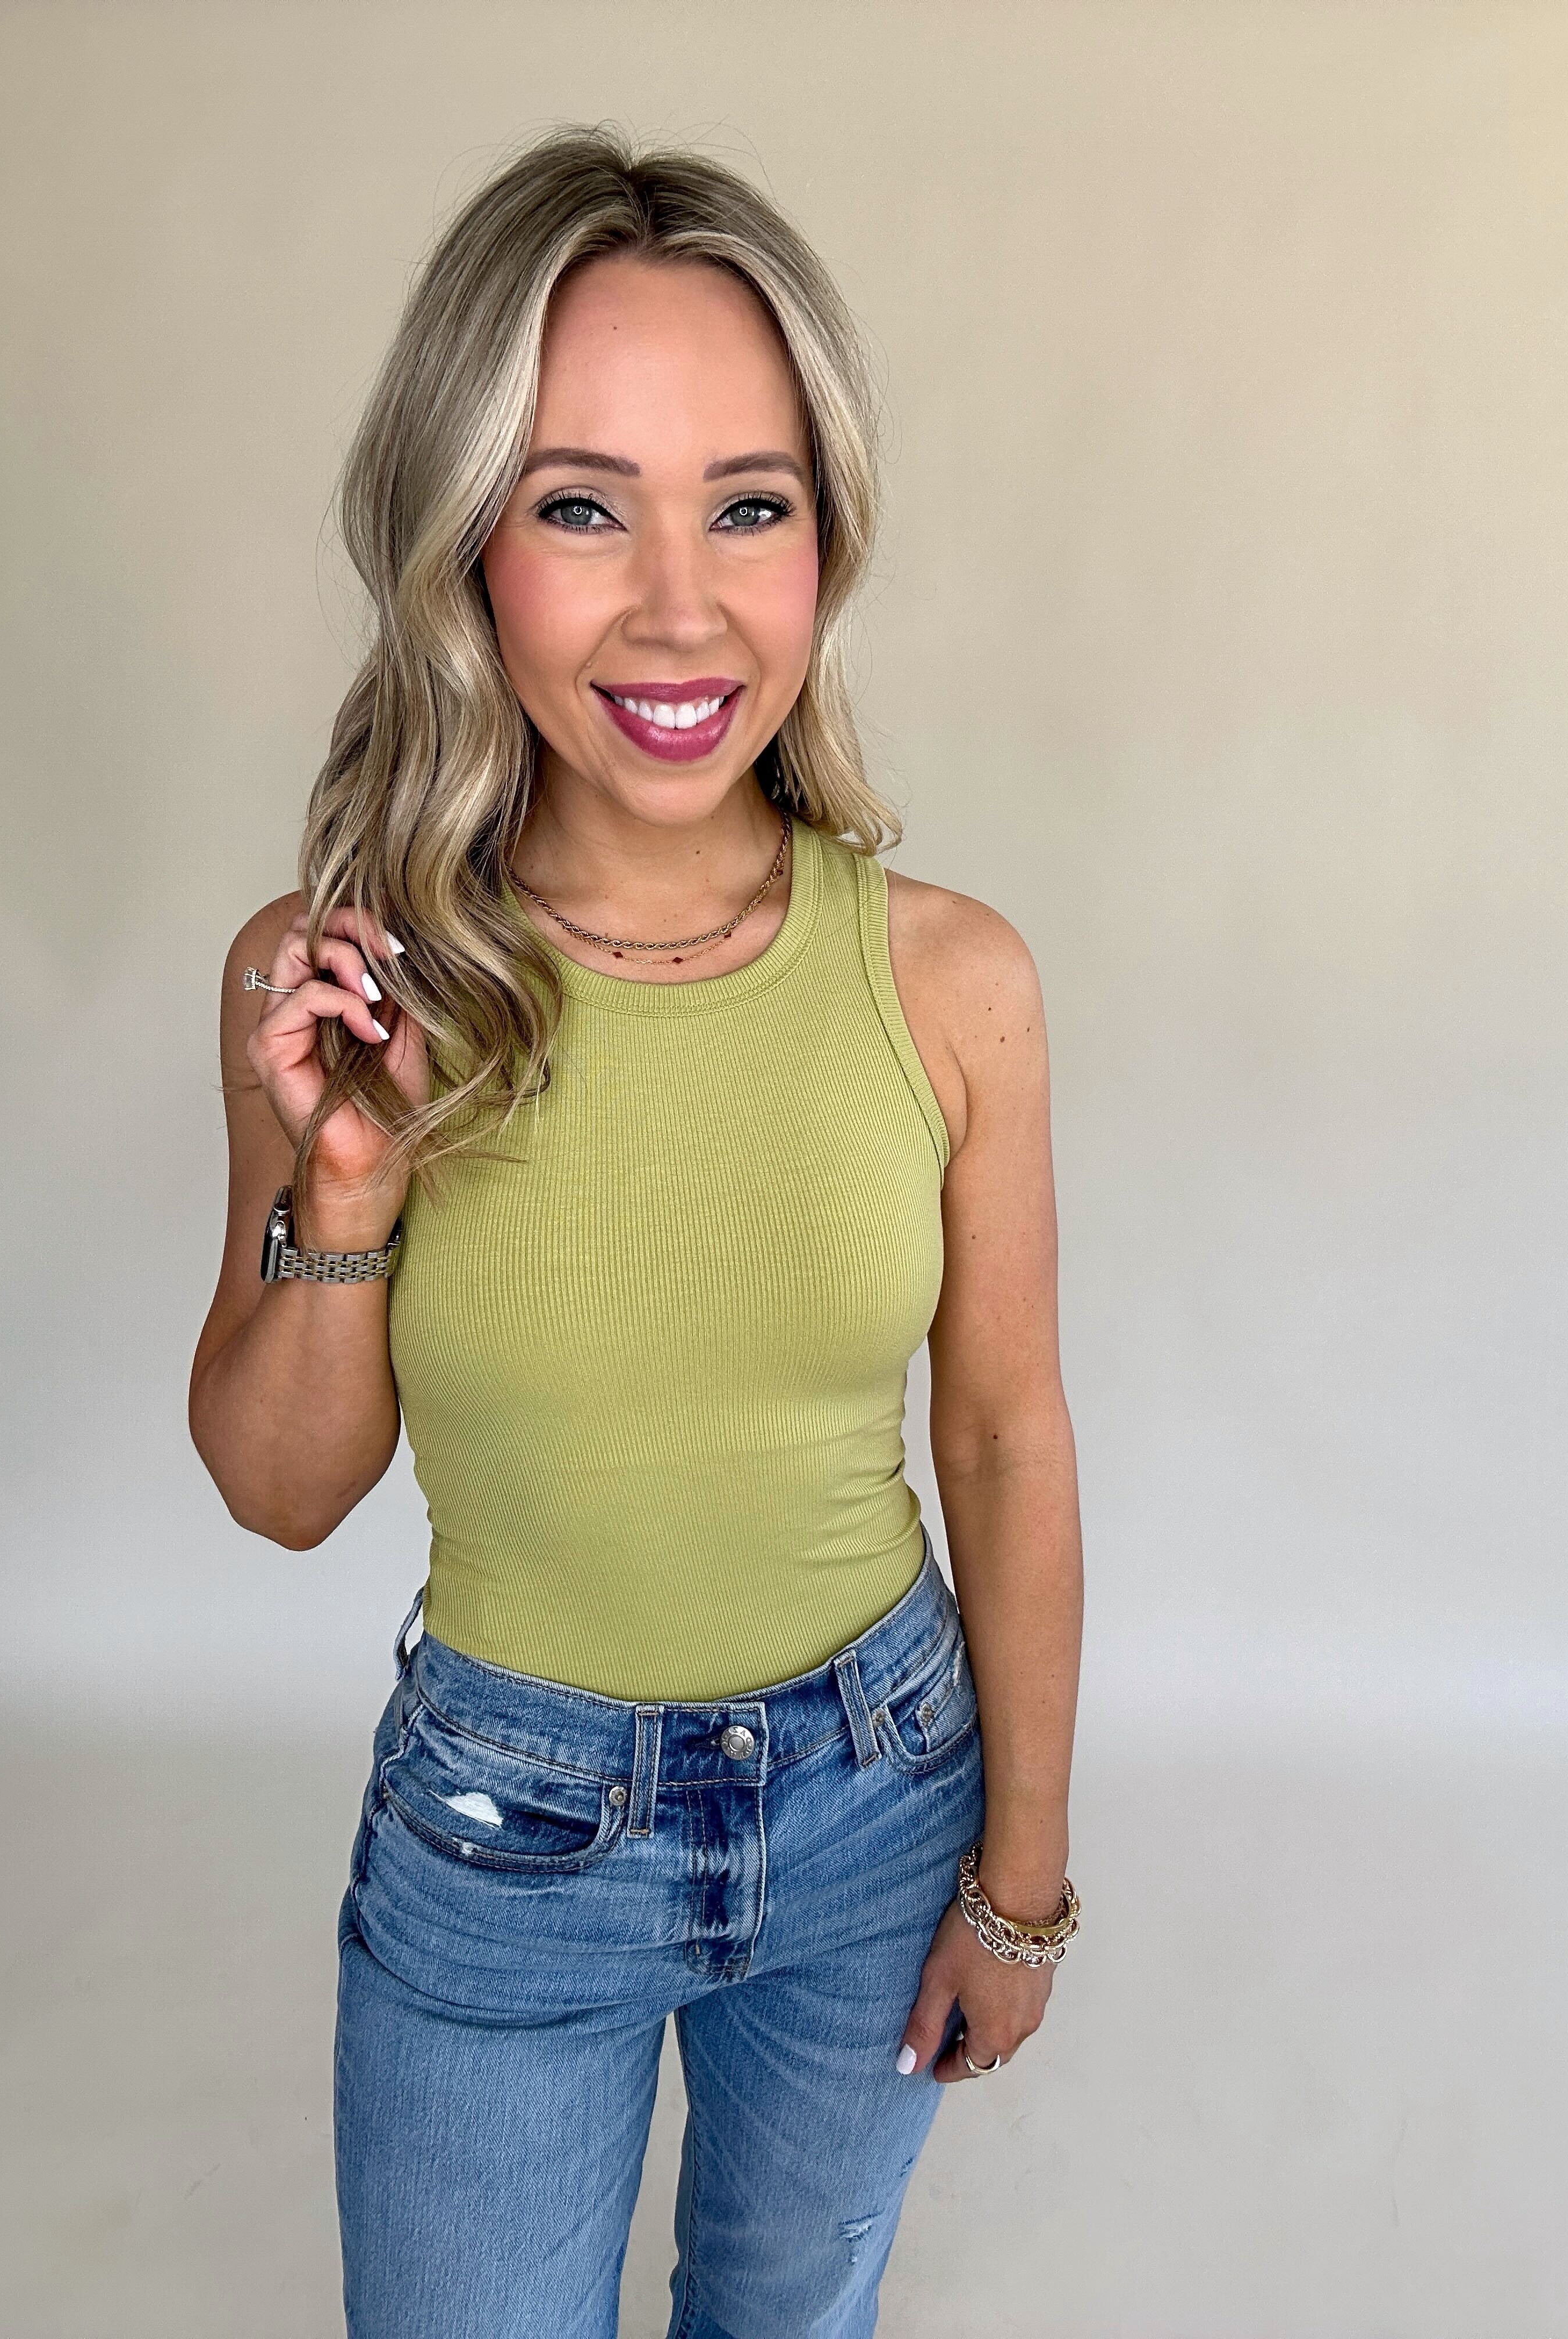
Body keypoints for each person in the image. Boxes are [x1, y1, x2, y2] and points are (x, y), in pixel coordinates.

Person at [189, 125, 1084, 2339]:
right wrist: (348, 1187)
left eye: (748, 507)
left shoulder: (952, 979)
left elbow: (1004, 1442)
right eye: (581, 506)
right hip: (509, 1836)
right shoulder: (343, 982)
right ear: (463, 546)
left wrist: (1023, 1883)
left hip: (883, 1796)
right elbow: (282, 1490)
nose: (681, 609)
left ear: (825, 543)